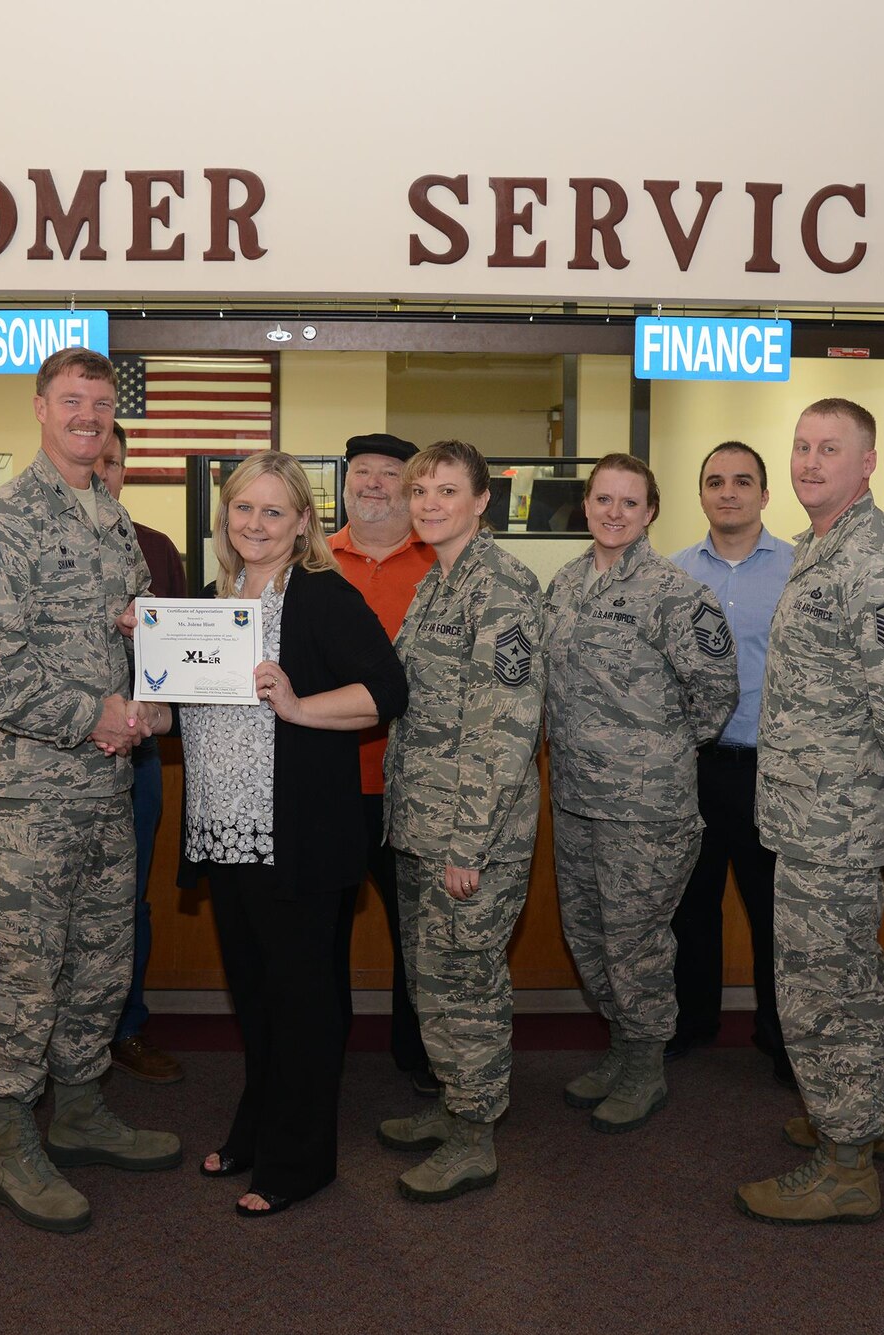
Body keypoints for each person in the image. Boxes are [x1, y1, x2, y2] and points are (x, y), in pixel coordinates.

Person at [0, 347, 178, 1235]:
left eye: (100, 403)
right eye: (71, 401)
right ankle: (10, 1135)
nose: (88, 415)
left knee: (99, 955)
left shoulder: (109, 517)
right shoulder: (7, 520)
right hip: (29, 797)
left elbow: (125, 636)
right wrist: (96, 712)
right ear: (40, 407)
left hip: (105, 784)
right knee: (23, 967)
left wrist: (145, 666)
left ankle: (79, 1109)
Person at [171, 453, 407, 1216]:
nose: (256, 524)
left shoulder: (322, 595)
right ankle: (258, 1128)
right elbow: (189, 706)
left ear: (304, 521)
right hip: (226, 830)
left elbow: (386, 689)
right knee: (258, 998)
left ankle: (302, 1160)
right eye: (244, 509)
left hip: (298, 836)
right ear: (225, 516)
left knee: (303, 1003)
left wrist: (301, 705)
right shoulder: (210, 600)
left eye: (274, 512)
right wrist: (149, 661)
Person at [737, 398, 884, 1226]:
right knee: (853, 974)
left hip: (839, 820)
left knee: (823, 991)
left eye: (831, 448)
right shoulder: (819, 546)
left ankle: (845, 1161)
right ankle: (880, 1117)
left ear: (867, 463)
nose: (809, 461)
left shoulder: (876, 558)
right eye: (801, 446)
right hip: (811, 816)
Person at [541, 453, 738, 1132]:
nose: (614, 512)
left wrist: (654, 751)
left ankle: (646, 1064)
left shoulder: (675, 593)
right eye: (603, 499)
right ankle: (622, 1047)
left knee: (636, 941)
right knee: (588, 934)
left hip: (645, 805)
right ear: (586, 504)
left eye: (630, 501)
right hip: (574, 794)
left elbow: (715, 696)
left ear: (651, 510)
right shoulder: (564, 584)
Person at [375, 439, 543, 1203]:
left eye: (448, 490)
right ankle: (453, 1101)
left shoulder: (499, 587)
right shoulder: (437, 583)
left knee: (465, 981)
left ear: (483, 500)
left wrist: (468, 842)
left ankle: (476, 1132)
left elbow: (505, 730)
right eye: (420, 491)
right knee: (430, 978)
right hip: (422, 822)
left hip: (472, 833)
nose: (430, 503)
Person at [668, 441, 797, 1079]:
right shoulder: (672, 574)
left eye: (742, 481)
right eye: (715, 481)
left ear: (764, 495)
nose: (728, 492)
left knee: (772, 909)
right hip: (692, 766)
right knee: (691, 904)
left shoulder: (802, 573)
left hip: (770, 770)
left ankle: (778, 1039)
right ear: (701, 495)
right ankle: (693, 1023)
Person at [326, 431, 437, 1098]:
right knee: (323, 932)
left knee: (420, 934)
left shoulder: (441, 563)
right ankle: (324, 1052)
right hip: (330, 782)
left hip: (414, 786)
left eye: (387, 473)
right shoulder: (309, 559)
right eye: (360, 471)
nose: (372, 483)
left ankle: (418, 1054)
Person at [96, 422, 187, 1085]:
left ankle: (125, 1026)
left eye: (113, 462)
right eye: (91, 460)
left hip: (139, 759)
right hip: (58, 755)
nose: (102, 472)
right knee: (59, 903)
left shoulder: (155, 548)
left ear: (126, 470)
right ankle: (65, 1040)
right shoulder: (32, 544)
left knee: (130, 899)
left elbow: (183, 655)